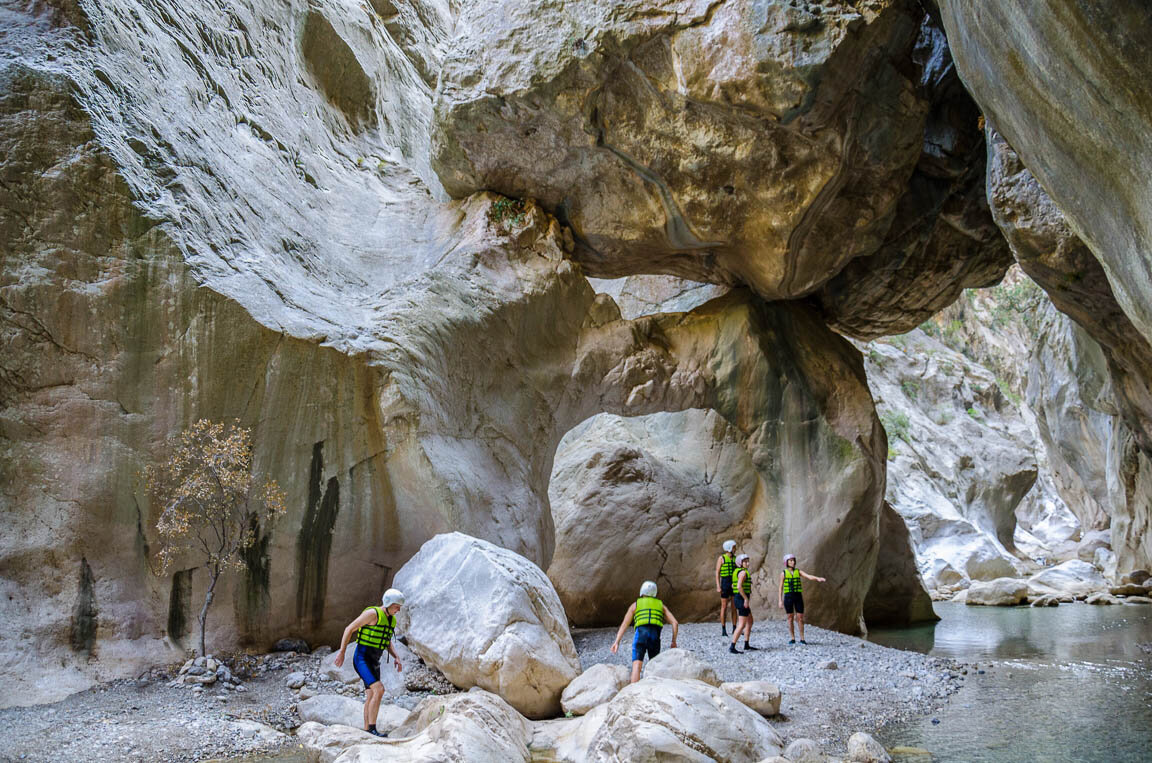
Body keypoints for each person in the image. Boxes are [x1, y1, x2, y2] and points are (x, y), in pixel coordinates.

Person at [334, 588, 405, 736]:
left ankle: (367, 730)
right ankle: (373, 730)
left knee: (371, 695)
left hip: (374, 661)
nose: (398, 609)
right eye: (397, 606)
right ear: (388, 603)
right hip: (362, 659)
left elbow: (385, 641)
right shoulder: (372, 614)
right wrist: (342, 652)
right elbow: (349, 629)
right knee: (379, 690)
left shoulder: (391, 619)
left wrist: (396, 657)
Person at [610, 581, 680, 683]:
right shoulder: (661, 606)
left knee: (637, 667)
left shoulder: (635, 605)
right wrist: (673, 641)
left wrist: (617, 641)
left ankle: (634, 693)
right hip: (655, 638)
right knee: (654, 667)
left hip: (640, 636)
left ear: (642, 591)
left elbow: (624, 625)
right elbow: (675, 623)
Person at [777, 553, 825, 644]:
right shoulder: (783, 573)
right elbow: (780, 588)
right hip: (788, 597)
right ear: (786, 562)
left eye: (793, 560)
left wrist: (817, 578)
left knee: (800, 617)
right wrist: (780, 600)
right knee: (790, 617)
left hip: (798, 596)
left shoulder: (798, 571)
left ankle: (802, 638)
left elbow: (808, 576)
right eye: (790, 560)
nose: (792, 562)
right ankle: (792, 638)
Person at [728, 554, 759, 653]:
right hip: (741, 599)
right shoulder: (743, 573)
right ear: (740, 563)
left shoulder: (738, 572)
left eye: (748, 561)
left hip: (739, 598)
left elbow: (734, 585)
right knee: (741, 625)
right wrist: (745, 599)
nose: (747, 563)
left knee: (750, 621)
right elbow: (739, 587)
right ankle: (732, 647)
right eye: (745, 562)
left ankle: (746, 644)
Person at [715, 539, 739, 636]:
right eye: (734, 547)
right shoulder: (722, 558)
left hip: (733, 583)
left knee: (734, 607)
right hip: (725, 583)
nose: (735, 549)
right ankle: (723, 629)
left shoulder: (735, 559)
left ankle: (734, 628)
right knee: (724, 607)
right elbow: (717, 572)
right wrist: (718, 585)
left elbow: (738, 572)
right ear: (729, 548)